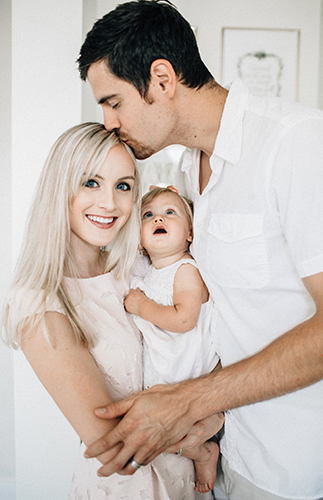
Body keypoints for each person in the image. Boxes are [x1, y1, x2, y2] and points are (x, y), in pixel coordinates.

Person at [76, 1, 323, 499]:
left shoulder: (298, 144)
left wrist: (186, 401)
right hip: (224, 450)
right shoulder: (190, 171)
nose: (107, 121)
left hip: (296, 466)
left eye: (114, 101)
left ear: (162, 78)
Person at [2, 122, 222, 499]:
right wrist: (197, 427)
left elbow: (204, 347)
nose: (110, 203)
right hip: (127, 488)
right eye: (91, 183)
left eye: (123, 186)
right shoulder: (39, 303)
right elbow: (111, 443)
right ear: (60, 189)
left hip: (187, 481)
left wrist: (210, 413)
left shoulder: (137, 269)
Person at [124, 186, 221, 494]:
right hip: (164, 365)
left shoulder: (186, 269)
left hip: (186, 366)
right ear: (138, 239)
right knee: (151, 429)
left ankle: (205, 450)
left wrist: (142, 307)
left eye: (170, 213)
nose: (158, 219)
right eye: (148, 215)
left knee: (164, 428)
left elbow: (184, 319)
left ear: (189, 233)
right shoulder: (149, 273)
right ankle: (200, 445)